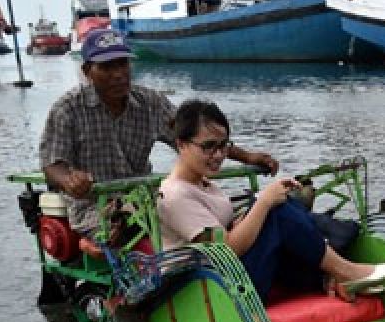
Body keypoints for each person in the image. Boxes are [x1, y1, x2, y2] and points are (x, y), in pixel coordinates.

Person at [38, 28, 278, 237]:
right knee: (153, 229)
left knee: (213, 212)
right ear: (88, 71)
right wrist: (69, 180)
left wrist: (248, 157)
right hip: (96, 208)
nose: (119, 73)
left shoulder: (149, 102)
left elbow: (196, 136)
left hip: (147, 197)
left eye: (123, 63)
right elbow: (52, 164)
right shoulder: (68, 108)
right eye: (108, 67)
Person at [157, 100, 385, 302]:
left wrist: (251, 212)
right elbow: (227, 249)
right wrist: (263, 204)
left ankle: (329, 278)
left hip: (228, 276)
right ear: (181, 144)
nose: (218, 155)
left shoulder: (203, 183)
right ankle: (346, 271)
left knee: (281, 205)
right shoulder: (175, 195)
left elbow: (222, 231)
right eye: (208, 147)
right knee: (275, 210)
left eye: (223, 146)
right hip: (214, 291)